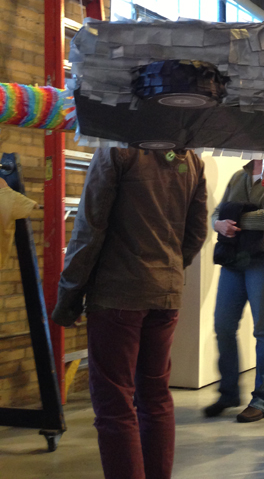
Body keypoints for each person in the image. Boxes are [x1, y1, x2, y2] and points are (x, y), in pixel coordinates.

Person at [52, 147, 208, 479]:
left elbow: (89, 229)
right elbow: (196, 232)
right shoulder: (190, 159)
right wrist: (167, 271)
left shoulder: (115, 150)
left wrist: (68, 296)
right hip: (165, 295)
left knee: (115, 404)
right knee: (156, 397)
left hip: (117, 294)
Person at [205, 160, 264, 422]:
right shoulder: (240, 175)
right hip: (233, 259)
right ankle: (228, 392)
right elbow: (217, 213)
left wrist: (233, 217)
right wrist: (218, 224)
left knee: (263, 330)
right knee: (223, 326)